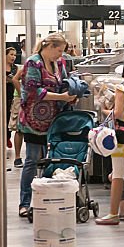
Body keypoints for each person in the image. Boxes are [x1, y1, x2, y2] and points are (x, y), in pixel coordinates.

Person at [17, 33, 77, 217]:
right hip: (33, 121)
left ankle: (46, 199)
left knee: (51, 160)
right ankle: (25, 202)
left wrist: (72, 92)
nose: (61, 55)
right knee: (32, 160)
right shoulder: (33, 63)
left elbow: (63, 83)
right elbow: (34, 91)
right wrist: (60, 97)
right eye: (59, 50)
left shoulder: (59, 64)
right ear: (48, 47)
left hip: (54, 120)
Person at [95, 83, 124, 226]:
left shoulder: (121, 89)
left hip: (121, 139)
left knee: (117, 175)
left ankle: (113, 214)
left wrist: (104, 111)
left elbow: (118, 113)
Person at [5, 47, 23, 168]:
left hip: (13, 97)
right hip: (3, 98)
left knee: (17, 127)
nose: (13, 57)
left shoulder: (17, 68)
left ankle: (17, 156)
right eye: (11, 54)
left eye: (14, 55)